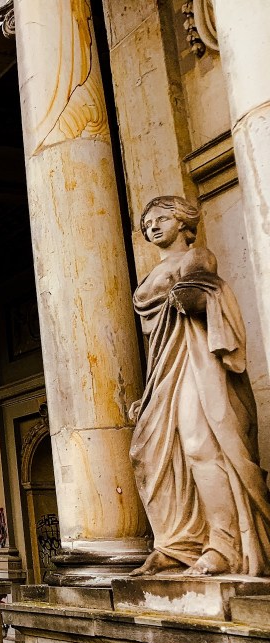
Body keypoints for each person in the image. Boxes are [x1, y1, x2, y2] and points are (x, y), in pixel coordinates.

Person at [129, 196, 270, 577]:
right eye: (147, 224)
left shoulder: (197, 256)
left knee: (199, 444)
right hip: (164, 366)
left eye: (162, 219)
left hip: (196, 360)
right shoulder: (151, 274)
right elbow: (156, 335)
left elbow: (201, 293)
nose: (152, 227)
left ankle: (223, 545)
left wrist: (190, 294)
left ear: (183, 223)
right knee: (151, 453)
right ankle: (177, 543)